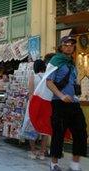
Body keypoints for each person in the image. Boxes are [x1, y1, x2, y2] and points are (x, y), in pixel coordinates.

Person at [45, 36, 87, 171]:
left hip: (74, 103)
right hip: (59, 103)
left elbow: (73, 82)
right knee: (59, 133)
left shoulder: (71, 63)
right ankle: (54, 163)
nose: (69, 46)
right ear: (61, 46)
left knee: (81, 132)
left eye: (71, 44)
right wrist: (61, 96)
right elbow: (49, 82)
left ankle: (75, 164)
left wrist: (76, 93)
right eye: (66, 44)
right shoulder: (55, 60)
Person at [21, 59, 48, 160]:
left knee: (31, 127)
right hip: (45, 105)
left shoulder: (33, 77)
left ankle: (33, 151)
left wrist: (31, 106)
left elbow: (31, 93)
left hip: (34, 104)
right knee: (45, 129)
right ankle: (42, 153)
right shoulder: (48, 78)